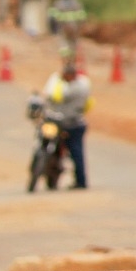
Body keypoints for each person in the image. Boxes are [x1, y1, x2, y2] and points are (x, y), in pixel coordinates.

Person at [40, 56, 93, 189]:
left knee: (76, 152)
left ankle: (81, 181)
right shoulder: (84, 84)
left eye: (64, 75)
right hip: (67, 122)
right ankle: (79, 180)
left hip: (72, 125)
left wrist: (54, 82)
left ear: (69, 75)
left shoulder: (74, 89)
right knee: (76, 153)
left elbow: (55, 94)